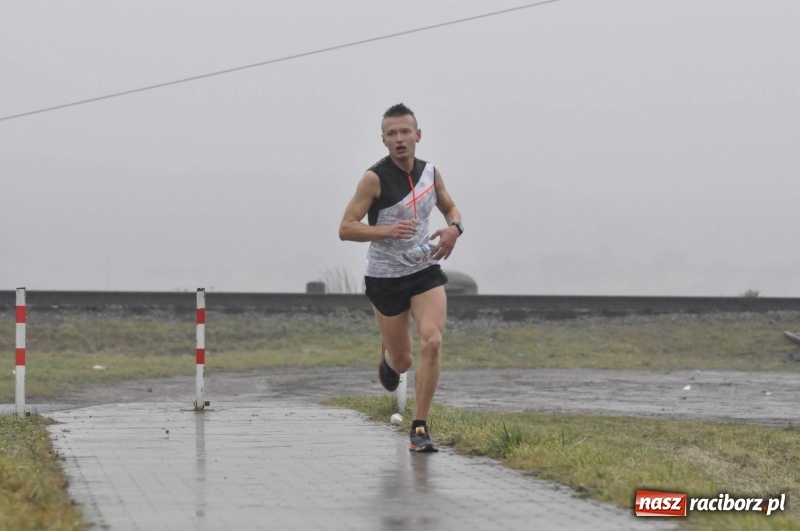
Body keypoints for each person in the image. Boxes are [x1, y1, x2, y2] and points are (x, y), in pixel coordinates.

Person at [339, 103, 463, 453]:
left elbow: (451, 208)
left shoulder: (430, 173)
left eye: (405, 132)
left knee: (433, 343)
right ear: (383, 140)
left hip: (423, 270)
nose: (399, 139)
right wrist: (387, 231)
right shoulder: (373, 179)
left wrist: (454, 228)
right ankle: (388, 356)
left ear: (417, 135)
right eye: (391, 134)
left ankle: (419, 428)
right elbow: (346, 228)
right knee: (404, 361)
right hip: (385, 277)